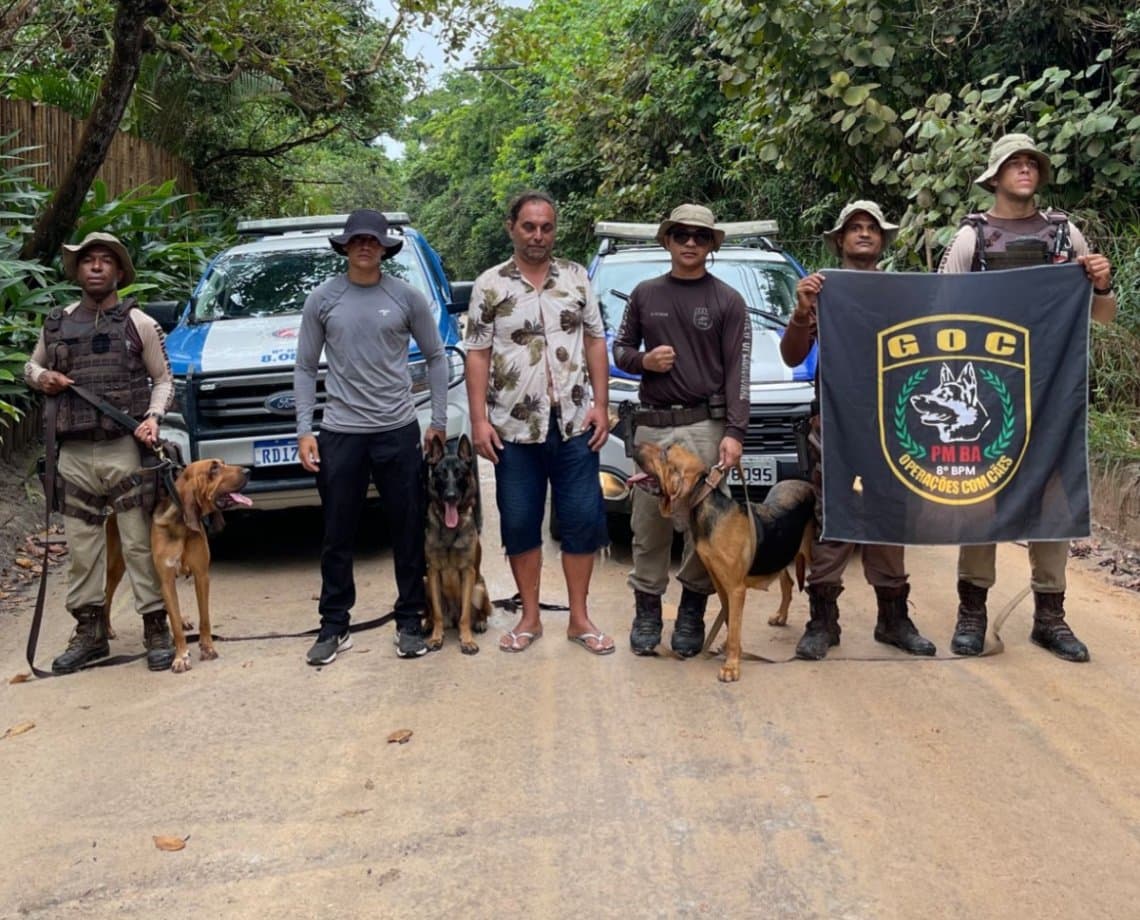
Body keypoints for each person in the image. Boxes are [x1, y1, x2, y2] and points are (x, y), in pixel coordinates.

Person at [939, 133, 1116, 662]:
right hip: (990, 395)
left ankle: (1050, 617)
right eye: (1013, 163)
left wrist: (1102, 285)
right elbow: (942, 312)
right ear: (993, 177)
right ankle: (972, 613)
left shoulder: (1066, 234)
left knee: (1053, 496)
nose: (1023, 169)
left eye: (1030, 162)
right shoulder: (972, 237)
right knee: (980, 496)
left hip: (1055, 389)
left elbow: (1100, 318)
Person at [781, 201, 937, 660]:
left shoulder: (900, 293)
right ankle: (822, 621)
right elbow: (793, 356)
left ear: (883, 240)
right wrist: (802, 311)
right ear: (840, 241)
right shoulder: (823, 290)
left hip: (893, 425)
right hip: (836, 425)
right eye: (855, 229)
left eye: (872, 228)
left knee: (890, 516)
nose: (865, 234)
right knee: (833, 519)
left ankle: (893, 619)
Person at [295, 208, 448, 665]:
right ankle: (334, 623)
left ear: (385, 247)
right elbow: (305, 367)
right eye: (357, 239)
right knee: (338, 533)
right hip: (341, 431)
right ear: (344, 246)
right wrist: (305, 429)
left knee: (406, 528)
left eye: (373, 240)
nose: (365, 246)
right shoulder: (323, 300)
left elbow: (437, 357)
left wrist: (437, 421)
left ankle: (408, 619)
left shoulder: (405, 298)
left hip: (398, 428)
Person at [465, 190, 614, 655]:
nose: (538, 236)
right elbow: (478, 353)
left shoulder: (576, 279)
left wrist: (602, 405)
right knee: (521, 523)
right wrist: (478, 421)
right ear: (511, 227)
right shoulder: (490, 285)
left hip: (573, 424)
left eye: (546, 227)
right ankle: (530, 618)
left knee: (582, 521)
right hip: (513, 429)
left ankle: (579, 618)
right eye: (529, 226)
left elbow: (594, 340)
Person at [25, 231, 176, 673]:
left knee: (137, 544)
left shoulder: (140, 324)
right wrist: (42, 379)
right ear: (78, 270)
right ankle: (90, 633)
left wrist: (152, 417)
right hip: (72, 454)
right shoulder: (55, 324)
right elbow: (31, 366)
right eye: (88, 260)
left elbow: (164, 379)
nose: (95, 266)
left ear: (119, 272)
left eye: (104, 260)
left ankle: (156, 627)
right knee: (82, 548)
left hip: (124, 449)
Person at [612, 203, 750, 657]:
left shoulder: (727, 300)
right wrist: (643, 361)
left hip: (705, 427)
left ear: (711, 245)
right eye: (681, 235)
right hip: (655, 423)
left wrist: (735, 430)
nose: (690, 242)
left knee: (705, 527)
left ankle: (692, 609)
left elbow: (739, 372)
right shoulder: (645, 294)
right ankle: (648, 609)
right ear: (666, 240)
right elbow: (621, 349)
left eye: (700, 236)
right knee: (649, 523)